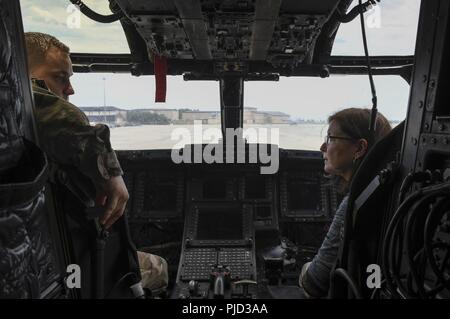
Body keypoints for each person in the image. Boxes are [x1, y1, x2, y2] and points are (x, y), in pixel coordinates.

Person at [24, 32, 168, 293]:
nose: (70, 89)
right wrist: (114, 178)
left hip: (35, 264)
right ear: (22, 75)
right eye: (60, 77)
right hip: (61, 268)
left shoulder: (21, 132)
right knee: (158, 267)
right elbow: (49, 109)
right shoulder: (27, 107)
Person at [299, 108, 392, 298]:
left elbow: (314, 283)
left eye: (331, 138)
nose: (322, 147)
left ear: (359, 149)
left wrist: (304, 269)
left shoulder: (356, 204)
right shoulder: (386, 191)